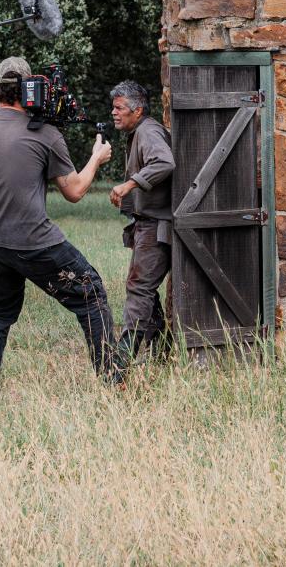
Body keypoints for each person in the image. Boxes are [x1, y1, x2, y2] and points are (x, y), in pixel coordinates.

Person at [0, 57, 118, 385]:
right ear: (31, 90)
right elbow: (73, 191)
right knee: (91, 294)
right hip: (34, 241)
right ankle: (115, 382)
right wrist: (96, 158)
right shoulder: (47, 134)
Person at [108, 81, 175, 362]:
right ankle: (163, 347)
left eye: (119, 108)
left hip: (156, 225)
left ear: (137, 111)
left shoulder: (147, 131)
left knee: (139, 288)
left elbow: (164, 162)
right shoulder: (139, 132)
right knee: (144, 288)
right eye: (113, 107)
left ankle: (122, 359)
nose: (114, 113)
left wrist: (129, 185)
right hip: (147, 223)